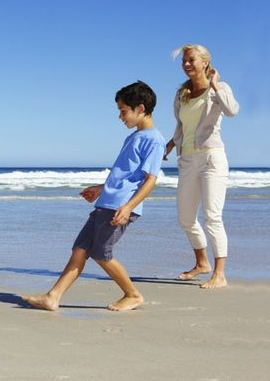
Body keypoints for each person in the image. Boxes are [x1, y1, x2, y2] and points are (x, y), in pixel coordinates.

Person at [24, 81, 165, 311]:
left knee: (101, 253)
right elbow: (126, 175)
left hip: (120, 207)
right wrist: (101, 188)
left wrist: (129, 207)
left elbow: (150, 180)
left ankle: (133, 294)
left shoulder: (154, 140)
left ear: (140, 108)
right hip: (107, 201)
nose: (120, 117)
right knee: (80, 248)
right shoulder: (133, 137)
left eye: (123, 111)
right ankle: (53, 297)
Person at [163, 44, 239, 289]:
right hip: (187, 160)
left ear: (205, 62)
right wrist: (168, 146)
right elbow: (182, 128)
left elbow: (232, 111)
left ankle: (219, 274)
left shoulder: (220, 88)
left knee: (212, 217)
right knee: (185, 218)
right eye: (184, 61)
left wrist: (215, 85)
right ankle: (202, 263)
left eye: (191, 60)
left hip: (211, 159)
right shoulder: (181, 94)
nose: (186, 64)